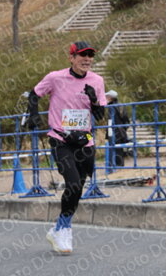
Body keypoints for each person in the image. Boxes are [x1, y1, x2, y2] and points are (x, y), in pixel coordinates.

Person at [27, 41, 106, 254]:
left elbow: (100, 115)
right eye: (82, 55)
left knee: (78, 188)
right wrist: (33, 116)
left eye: (90, 55)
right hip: (60, 139)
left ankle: (59, 227)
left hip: (85, 140)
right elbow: (34, 94)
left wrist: (93, 100)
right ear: (71, 58)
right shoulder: (55, 78)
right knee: (72, 183)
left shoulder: (97, 81)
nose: (87, 59)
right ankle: (65, 231)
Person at [105, 91, 129, 168]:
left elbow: (111, 120)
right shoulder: (120, 106)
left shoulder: (111, 107)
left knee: (114, 149)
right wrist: (124, 129)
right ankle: (118, 165)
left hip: (114, 130)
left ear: (110, 98)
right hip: (120, 130)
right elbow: (126, 119)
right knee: (118, 149)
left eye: (107, 97)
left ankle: (116, 165)